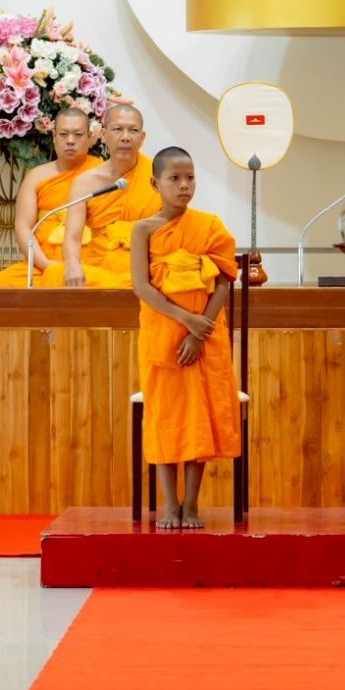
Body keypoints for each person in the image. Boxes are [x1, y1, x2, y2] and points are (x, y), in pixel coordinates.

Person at [129, 147, 240, 529]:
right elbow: (142, 288)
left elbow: (224, 279)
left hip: (205, 338)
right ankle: (169, 505)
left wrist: (201, 327)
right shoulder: (143, 228)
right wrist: (185, 320)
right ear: (155, 183)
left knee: (199, 419)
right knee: (165, 419)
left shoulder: (209, 226)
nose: (184, 185)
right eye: (175, 178)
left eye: (190, 177)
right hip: (164, 336)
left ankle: (191, 504)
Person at [0, 107, 102, 286]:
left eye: (78, 135)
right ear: (54, 136)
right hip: (43, 263)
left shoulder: (103, 174)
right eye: (63, 134)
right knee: (0, 283)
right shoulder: (37, 176)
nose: (70, 141)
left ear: (89, 137)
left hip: (89, 263)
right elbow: (23, 227)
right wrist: (45, 264)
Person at [62, 102, 161, 288]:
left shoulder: (159, 176)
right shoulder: (84, 183)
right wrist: (73, 265)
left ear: (142, 137)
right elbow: (72, 237)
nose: (125, 137)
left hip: (147, 266)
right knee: (56, 274)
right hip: (101, 267)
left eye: (133, 130)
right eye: (117, 129)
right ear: (104, 134)